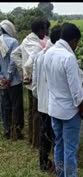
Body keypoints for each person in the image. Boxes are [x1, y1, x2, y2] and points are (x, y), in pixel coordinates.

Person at [44, 23, 83, 177]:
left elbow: (49, 81)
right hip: (70, 112)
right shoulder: (68, 58)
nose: (76, 46)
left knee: (59, 146)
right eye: (77, 43)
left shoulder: (49, 53)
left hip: (54, 109)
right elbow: (76, 91)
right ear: (74, 40)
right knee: (70, 150)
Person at [11, 17, 47, 147]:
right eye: (45, 29)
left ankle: (31, 138)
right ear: (40, 29)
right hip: (35, 83)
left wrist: (23, 71)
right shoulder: (36, 45)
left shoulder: (26, 40)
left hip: (28, 82)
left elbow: (14, 55)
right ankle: (36, 142)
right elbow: (31, 61)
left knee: (32, 111)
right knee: (37, 112)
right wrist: (27, 69)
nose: (46, 32)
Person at [32, 25, 61, 172]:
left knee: (44, 135)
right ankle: (56, 165)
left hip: (43, 104)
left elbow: (35, 83)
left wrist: (39, 97)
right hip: (55, 105)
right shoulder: (57, 56)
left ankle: (44, 163)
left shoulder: (40, 55)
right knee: (56, 136)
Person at [0, 20, 24, 140]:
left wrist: (2, 78)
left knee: (5, 105)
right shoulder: (13, 42)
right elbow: (13, 62)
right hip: (14, 81)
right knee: (16, 106)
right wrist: (9, 77)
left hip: (2, 82)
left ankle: (7, 129)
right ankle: (17, 131)